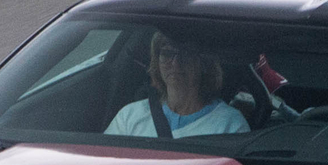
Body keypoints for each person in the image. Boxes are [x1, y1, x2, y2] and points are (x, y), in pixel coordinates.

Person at [106, 31, 251, 139]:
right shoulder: (129, 117)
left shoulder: (230, 125)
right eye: (167, 54)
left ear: (204, 64)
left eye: (185, 54)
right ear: (157, 62)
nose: (175, 63)